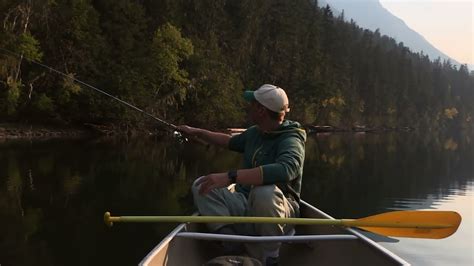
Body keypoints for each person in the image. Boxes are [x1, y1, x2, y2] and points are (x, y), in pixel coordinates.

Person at [178, 84, 306, 265]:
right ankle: (231, 243)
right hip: (245, 202)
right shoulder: (255, 132)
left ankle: (271, 256)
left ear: (261, 110)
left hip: (281, 211)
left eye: (252, 103)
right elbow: (229, 142)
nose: (248, 107)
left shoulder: (291, 138)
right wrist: (197, 132)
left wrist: (230, 176)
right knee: (202, 185)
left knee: (264, 192)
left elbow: (286, 169)